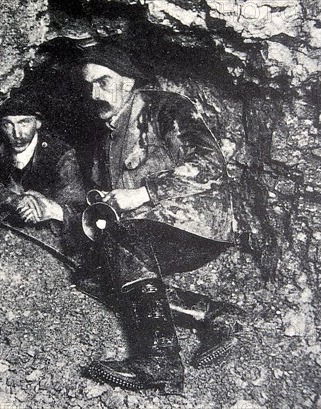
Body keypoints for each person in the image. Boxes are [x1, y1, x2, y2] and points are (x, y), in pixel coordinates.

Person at [77, 38, 239, 394]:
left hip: (197, 220)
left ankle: (160, 361)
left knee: (120, 243)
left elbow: (210, 164)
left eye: (103, 81)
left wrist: (142, 194)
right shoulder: (106, 137)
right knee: (93, 275)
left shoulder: (164, 108)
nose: (94, 94)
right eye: (88, 85)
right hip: (150, 230)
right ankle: (212, 313)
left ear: (128, 81)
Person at [0, 92, 85, 237]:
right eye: (8, 124)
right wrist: (13, 199)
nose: (17, 133)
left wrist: (49, 209)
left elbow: (77, 208)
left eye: (24, 123)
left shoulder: (60, 155)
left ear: (38, 122)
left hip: (49, 237)